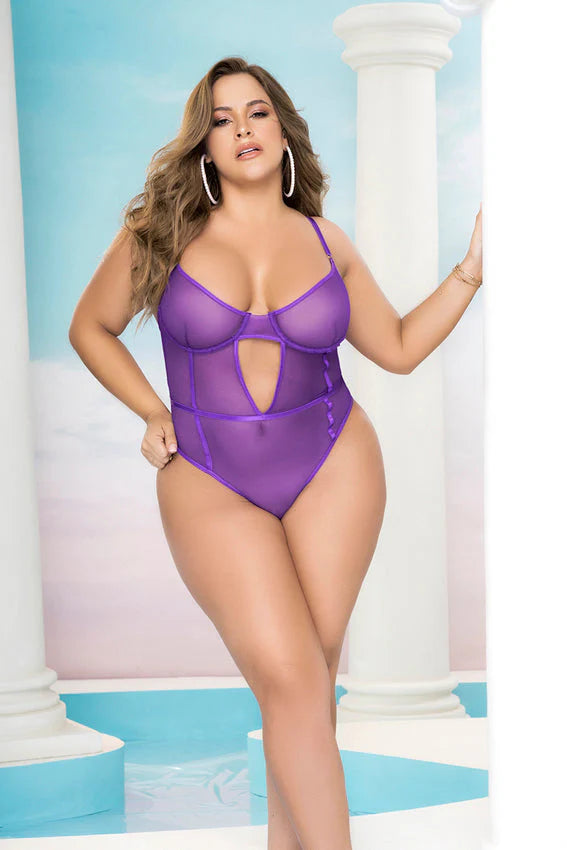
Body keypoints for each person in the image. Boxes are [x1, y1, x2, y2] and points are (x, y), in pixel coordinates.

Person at [68, 56, 482, 850]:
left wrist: (469, 273)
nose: (242, 130)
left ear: (284, 130)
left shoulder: (326, 242)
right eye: (221, 120)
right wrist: (150, 410)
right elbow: (91, 327)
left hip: (333, 462)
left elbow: (396, 349)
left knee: (307, 683)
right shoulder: (160, 234)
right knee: (291, 680)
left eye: (256, 112)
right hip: (206, 474)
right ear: (204, 144)